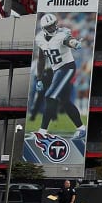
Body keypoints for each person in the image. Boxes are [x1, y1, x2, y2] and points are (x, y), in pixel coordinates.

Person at [32, 13, 87, 144]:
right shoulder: (40, 38)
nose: (53, 28)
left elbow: (68, 40)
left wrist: (74, 44)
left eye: (53, 25)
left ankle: (42, 132)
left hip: (67, 67)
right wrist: (39, 78)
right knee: (65, 101)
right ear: (44, 28)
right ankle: (81, 128)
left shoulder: (61, 34)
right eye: (49, 27)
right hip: (57, 70)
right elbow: (41, 59)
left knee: (50, 96)